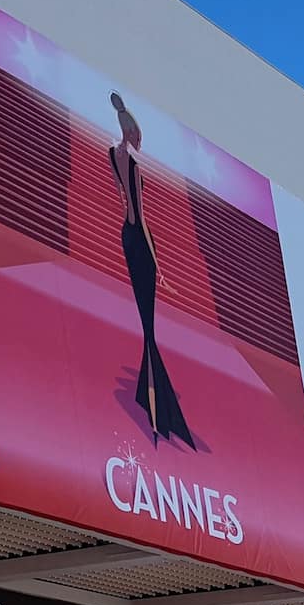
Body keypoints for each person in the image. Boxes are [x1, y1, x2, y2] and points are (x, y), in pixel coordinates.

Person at [108, 91, 195, 450]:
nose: (139, 142)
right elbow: (141, 219)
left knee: (147, 329)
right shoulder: (134, 165)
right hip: (141, 243)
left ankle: (154, 407)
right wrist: (160, 269)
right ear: (131, 133)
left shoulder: (112, 155)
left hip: (125, 238)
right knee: (149, 330)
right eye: (138, 136)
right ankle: (159, 414)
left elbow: (122, 201)